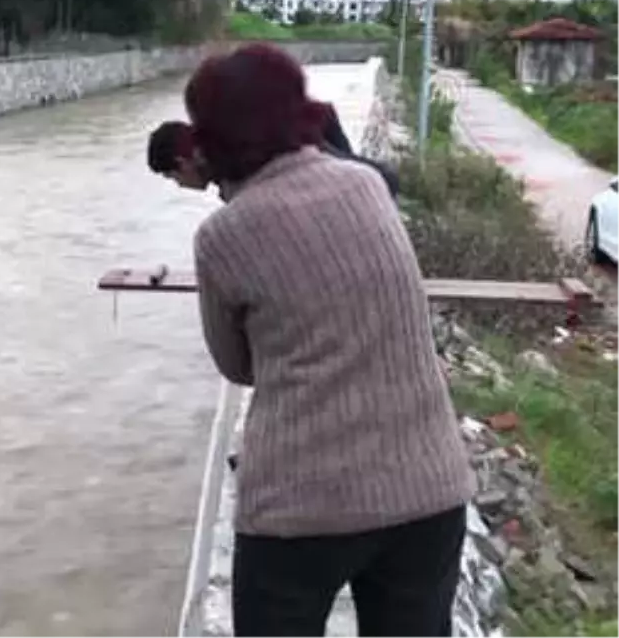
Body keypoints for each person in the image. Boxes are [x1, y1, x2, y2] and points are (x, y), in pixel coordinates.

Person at [186, 43, 473, 638]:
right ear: (300, 109)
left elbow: (237, 366)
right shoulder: (367, 185)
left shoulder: (222, 235)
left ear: (212, 137)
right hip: (428, 487)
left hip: (300, 509)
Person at [147, 109, 400, 199]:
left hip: (304, 142)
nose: (180, 186)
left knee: (377, 183)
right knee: (370, 184)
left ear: (183, 164)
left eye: (173, 178)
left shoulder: (223, 157)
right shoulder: (214, 138)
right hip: (312, 126)